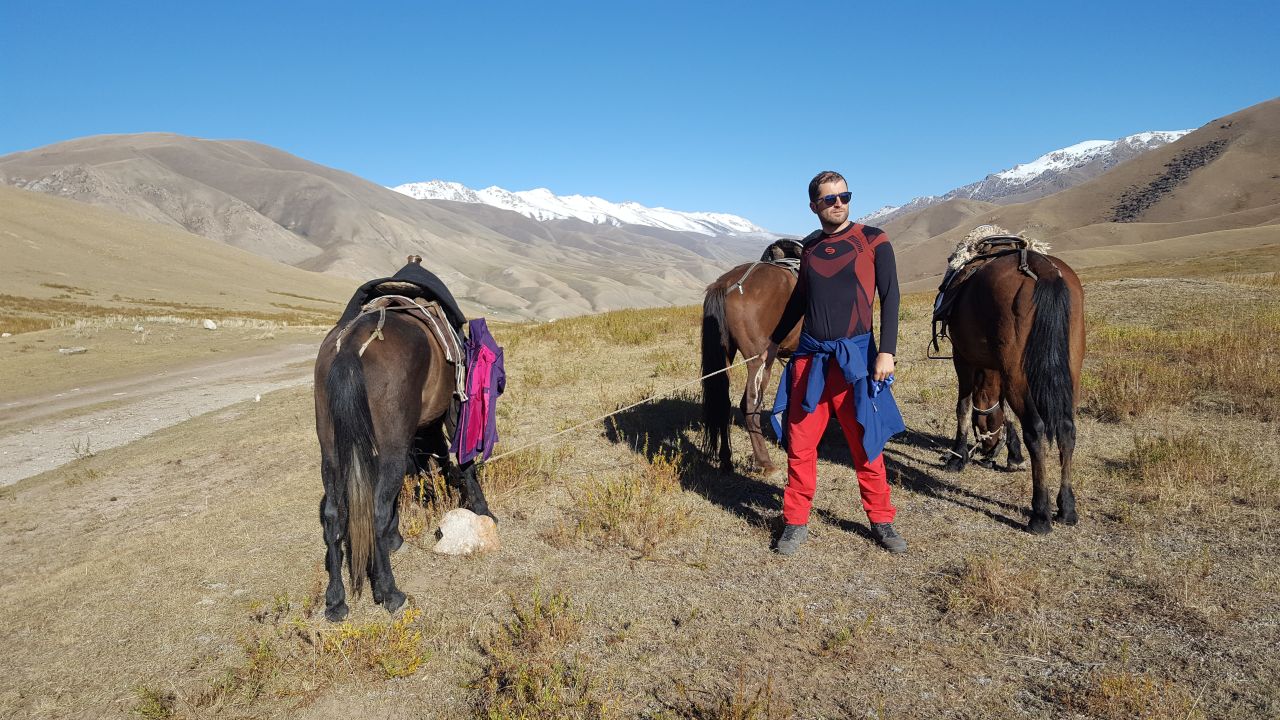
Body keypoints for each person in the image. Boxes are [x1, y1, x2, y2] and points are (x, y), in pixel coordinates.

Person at [763, 170, 907, 555]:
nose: (839, 203)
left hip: (856, 360)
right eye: (829, 199)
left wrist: (886, 352)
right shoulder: (808, 247)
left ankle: (881, 520)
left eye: (844, 196)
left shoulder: (873, 240)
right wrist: (774, 342)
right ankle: (794, 522)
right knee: (800, 444)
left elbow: (890, 297)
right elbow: (799, 302)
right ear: (814, 206)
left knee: (866, 442)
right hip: (811, 360)